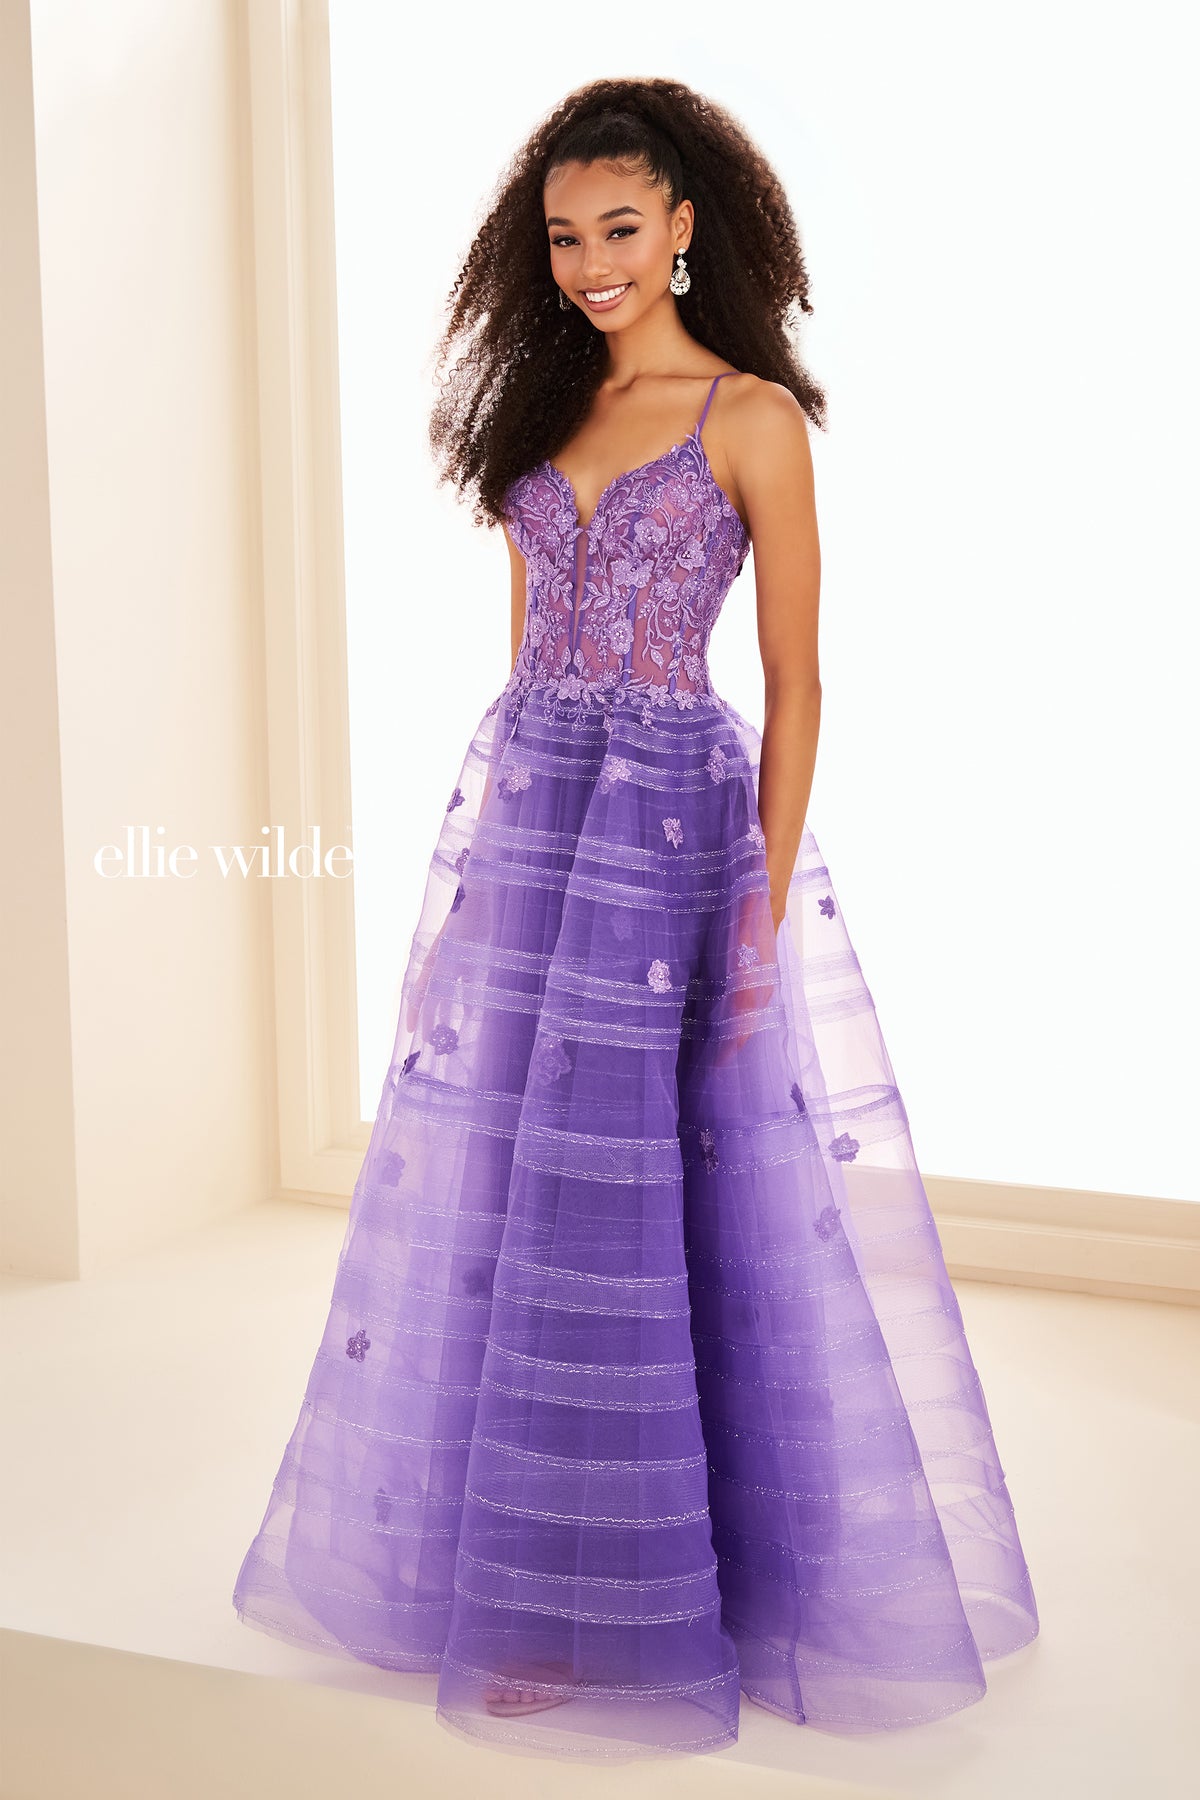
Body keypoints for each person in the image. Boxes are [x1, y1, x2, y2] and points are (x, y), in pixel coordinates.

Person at [232, 77, 1038, 1761]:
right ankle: (534, 1587)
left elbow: (799, 680)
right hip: (538, 826)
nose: (592, 263)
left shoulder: (750, 417)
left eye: (619, 228)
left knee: (664, 1200)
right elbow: (525, 660)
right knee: (526, 1199)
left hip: (673, 837)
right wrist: (476, 908)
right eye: (562, 237)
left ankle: (679, 1597)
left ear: (682, 225)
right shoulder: (539, 416)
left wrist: (758, 904)